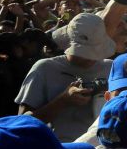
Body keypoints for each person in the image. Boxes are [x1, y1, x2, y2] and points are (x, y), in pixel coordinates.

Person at [16, 12, 115, 140]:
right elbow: (21, 122)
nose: (90, 58)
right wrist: (63, 100)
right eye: (83, 52)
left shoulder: (111, 68)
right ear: (68, 42)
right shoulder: (44, 68)